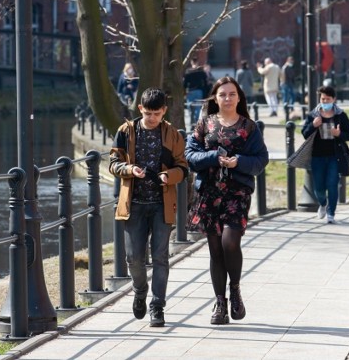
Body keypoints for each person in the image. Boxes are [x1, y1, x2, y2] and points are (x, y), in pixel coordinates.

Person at [185, 77, 269, 325]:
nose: (227, 98)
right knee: (215, 249)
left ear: (239, 97)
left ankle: (235, 290)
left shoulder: (249, 127)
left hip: (237, 193)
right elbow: (190, 156)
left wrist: (238, 162)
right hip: (209, 192)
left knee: (230, 242)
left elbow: (260, 160)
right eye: (222, 94)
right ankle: (219, 302)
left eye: (232, 94)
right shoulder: (204, 124)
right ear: (215, 98)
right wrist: (214, 157)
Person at [109, 87, 189, 327]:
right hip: (133, 204)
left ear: (164, 111)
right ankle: (140, 290)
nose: (152, 118)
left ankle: (158, 306)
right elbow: (113, 163)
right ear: (140, 108)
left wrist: (169, 176)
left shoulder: (172, 135)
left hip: (161, 205)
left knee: (161, 257)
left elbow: (183, 168)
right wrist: (129, 169)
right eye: (148, 113)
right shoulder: (125, 131)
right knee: (133, 257)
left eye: (157, 113)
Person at [301, 85, 349, 224]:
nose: (325, 102)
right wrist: (313, 125)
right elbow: (305, 133)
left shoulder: (340, 115)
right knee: (318, 187)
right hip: (317, 156)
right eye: (323, 99)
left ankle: (331, 213)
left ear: (334, 99)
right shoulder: (314, 115)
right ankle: (323, 203)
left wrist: (339, 134)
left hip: (334, 157)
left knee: (332, 184)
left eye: (328, 99)